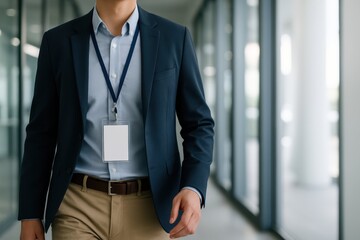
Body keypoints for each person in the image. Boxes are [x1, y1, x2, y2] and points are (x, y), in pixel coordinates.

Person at [18, 0, 214, 239]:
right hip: (78, 206)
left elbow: (199, 124)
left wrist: (193, 188)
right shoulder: (58, 42)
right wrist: (30, 212)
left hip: (151, 206)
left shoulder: (174, 38)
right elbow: (41, 133)